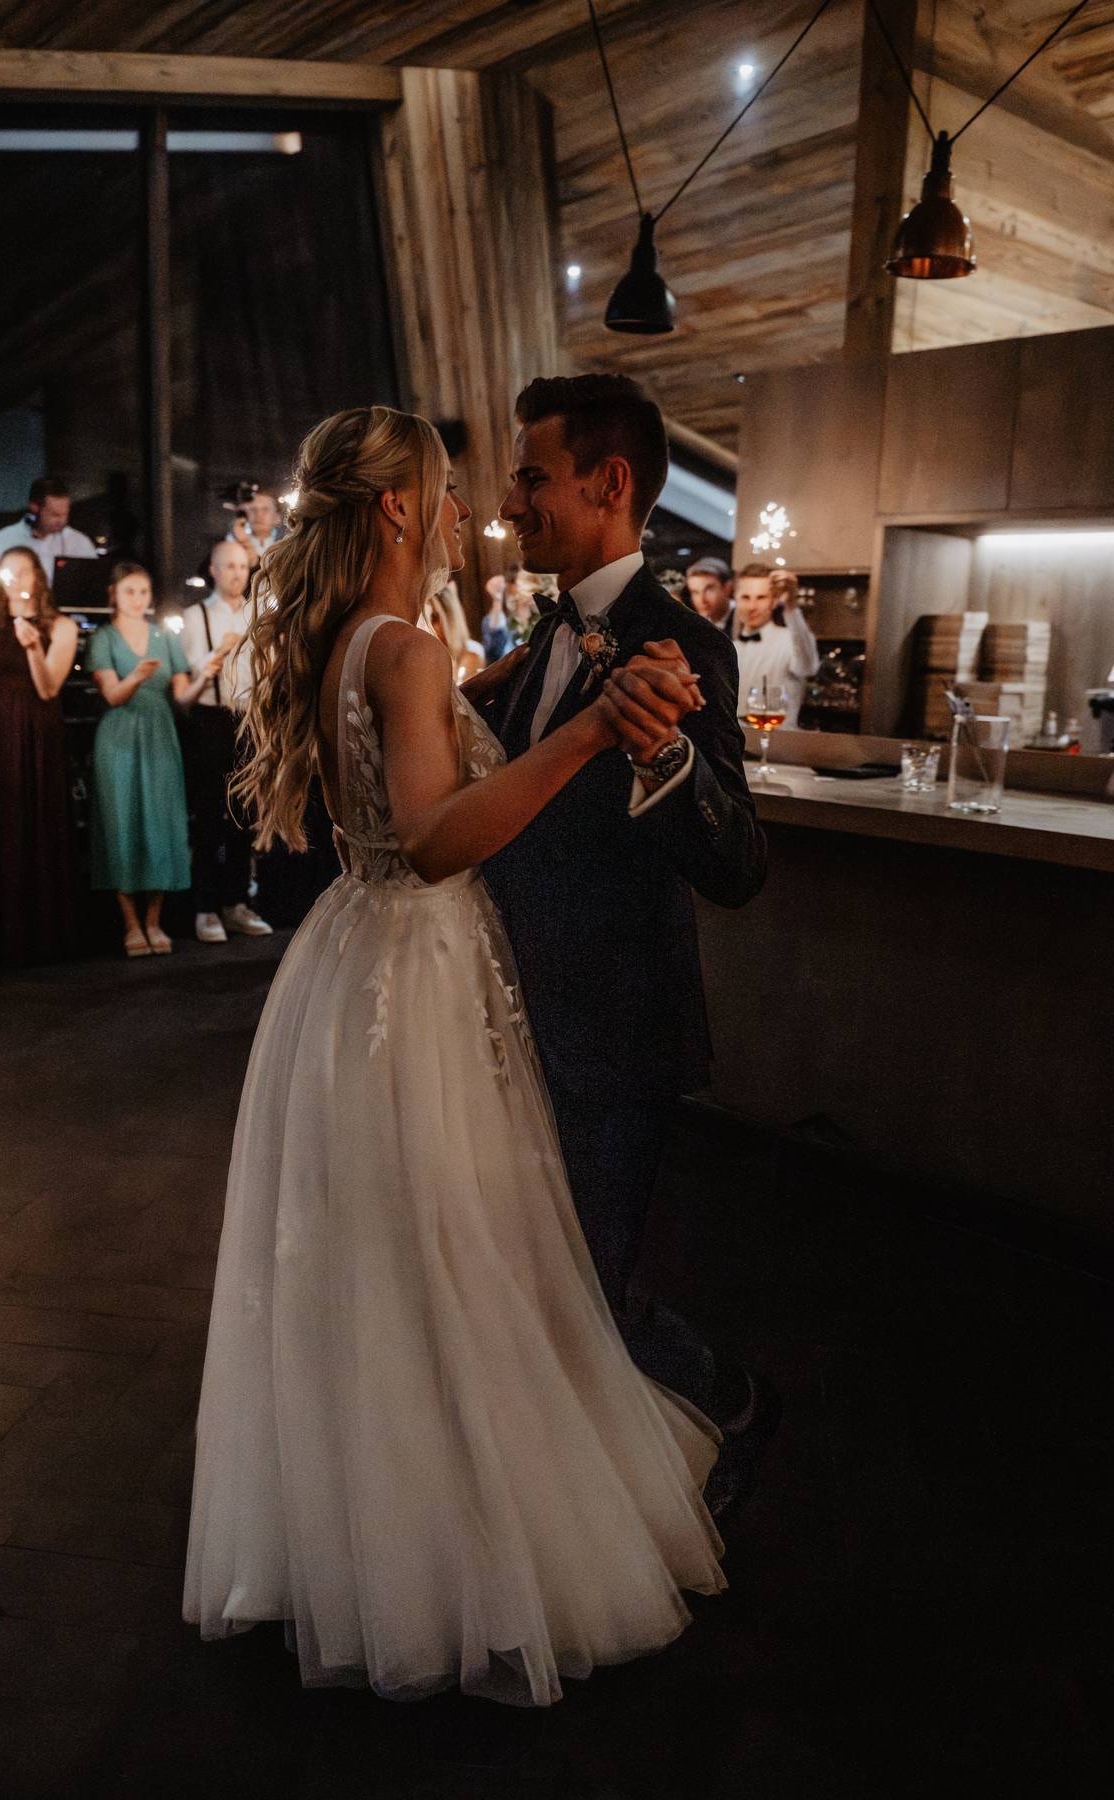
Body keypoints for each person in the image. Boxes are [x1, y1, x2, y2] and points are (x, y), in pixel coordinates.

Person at [185, 403, 726, 1707]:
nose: (460, 511)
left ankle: (369, 1536)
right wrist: (590, 730)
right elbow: (434, 836)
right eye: (439, 492)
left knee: (377, 1264)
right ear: (394, 511)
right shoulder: (411, 652)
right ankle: (465, 1555)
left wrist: (513, 699)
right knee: (459, 1258)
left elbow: (410, 765)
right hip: (419, 964)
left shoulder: (360, 644)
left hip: (350, 959)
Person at [485, 374, 772, 1515]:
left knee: (590, 1291)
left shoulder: (681, 646)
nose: (513, 500)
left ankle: (735, 1400)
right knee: (521, 1278)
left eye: (531, 475)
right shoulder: (540, 634)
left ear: (608, 485)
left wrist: (665, 761)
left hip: (611, 1030)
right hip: (507, 1021)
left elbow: (740, 865)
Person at [88, 564, 212, 957]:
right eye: (129, 591)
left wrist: (204, 677)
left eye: (143, 591)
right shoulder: (104, 638)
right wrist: (137, 677)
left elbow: (181, 699)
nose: (138, 599)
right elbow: (112, 695)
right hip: (120, 738)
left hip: (160, 736)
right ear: (114, 594)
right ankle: (130, 924)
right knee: (121, 824)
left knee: (161, 824)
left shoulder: (164, 638)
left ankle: (155, 920)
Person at [0, 548, 78, 965]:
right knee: (5, 826)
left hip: (40, 735)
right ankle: (5, 939)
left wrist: (32, 646)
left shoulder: (60, 626)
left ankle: (47, 937)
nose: (14, 578)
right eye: (6, 572)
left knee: (42, 821)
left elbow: (48, 689)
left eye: (22, 570)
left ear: (37, 578)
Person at [180, 540, 272, 944]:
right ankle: (205, 907)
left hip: (248, 719)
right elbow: (189, 673)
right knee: (208, 815)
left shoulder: (258, 614)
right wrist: (218, 653)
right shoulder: (194, 616)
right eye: (229, 566)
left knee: (245, 814)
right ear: (214, 570)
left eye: (242, 566)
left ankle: (237, 903)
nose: (237, 573)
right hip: (209, 718)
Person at [0, 477, 97, 614]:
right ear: (34, 508)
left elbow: (94, 591)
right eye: (55, 515)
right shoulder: (1, 541)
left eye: (65, 514)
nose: (62, 521)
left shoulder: (80, 543)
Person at [732, 562, 820, 726]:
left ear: (774, 601)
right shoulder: (730, 647)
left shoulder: (789, 640)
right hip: (736, 747)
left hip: (781, 746)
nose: (752, 607)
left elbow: (809, 667)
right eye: (745, 597)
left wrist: (791, 606)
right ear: (735, 599)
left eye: (761, 598)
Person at [424, 581, 484, 682]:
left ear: (450, 619)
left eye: (433, 618)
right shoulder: (424, 659)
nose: (428, 626)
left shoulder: (471, 659)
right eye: (424, 619)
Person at [228, 490, 284, 568]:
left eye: (265, 509)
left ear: (277, 517)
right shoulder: (233, 546)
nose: (259, 514)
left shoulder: (287, 548)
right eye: (253, 509)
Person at [685, 555, 735, 630]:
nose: (702, 600)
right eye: (695, 592)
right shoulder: (697, 625)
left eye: (709, 590)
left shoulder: (743, 617)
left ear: (727, 588)